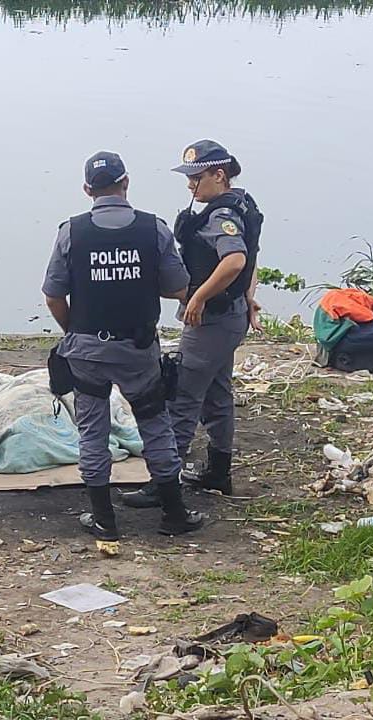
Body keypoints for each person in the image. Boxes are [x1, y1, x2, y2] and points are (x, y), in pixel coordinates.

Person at [42, 151, 205, 541]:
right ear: (126, 182)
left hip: (86, 352)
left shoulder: (72, 232)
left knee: (92, 431)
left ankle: (104, 521)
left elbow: (53, 295)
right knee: (155, 424)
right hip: (137, 349)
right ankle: (174, 514)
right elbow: (178, 288)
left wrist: (74, 332)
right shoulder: (154, 229)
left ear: (87, 190)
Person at [121, 140, 262, 508]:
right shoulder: (243, 204)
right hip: (229, 315)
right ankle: (219, 470)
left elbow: (235, 260)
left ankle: (164, 481)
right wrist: (248, 298)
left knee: (182, 394)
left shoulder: (221, 215)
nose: (190, 186)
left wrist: (197, 298)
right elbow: (252, 258)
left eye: (196, 178)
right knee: (216, 393)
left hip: (212, 319)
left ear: (220, 175)